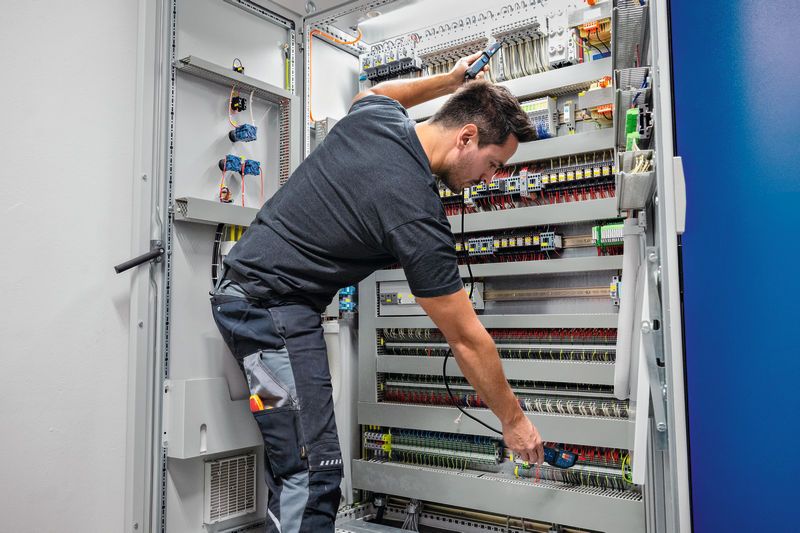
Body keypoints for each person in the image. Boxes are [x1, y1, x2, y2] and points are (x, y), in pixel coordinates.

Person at [210, 51, 543, 533]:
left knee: (302, 467)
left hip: (266, 301)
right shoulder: (415, 211)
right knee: (312, 475)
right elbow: (468, 339)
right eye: (493, 163)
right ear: (466, 137)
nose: (488, 180)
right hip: (269, 308)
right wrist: (515, 422)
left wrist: (446, 82)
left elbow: (373, 93)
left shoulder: (380, 119)